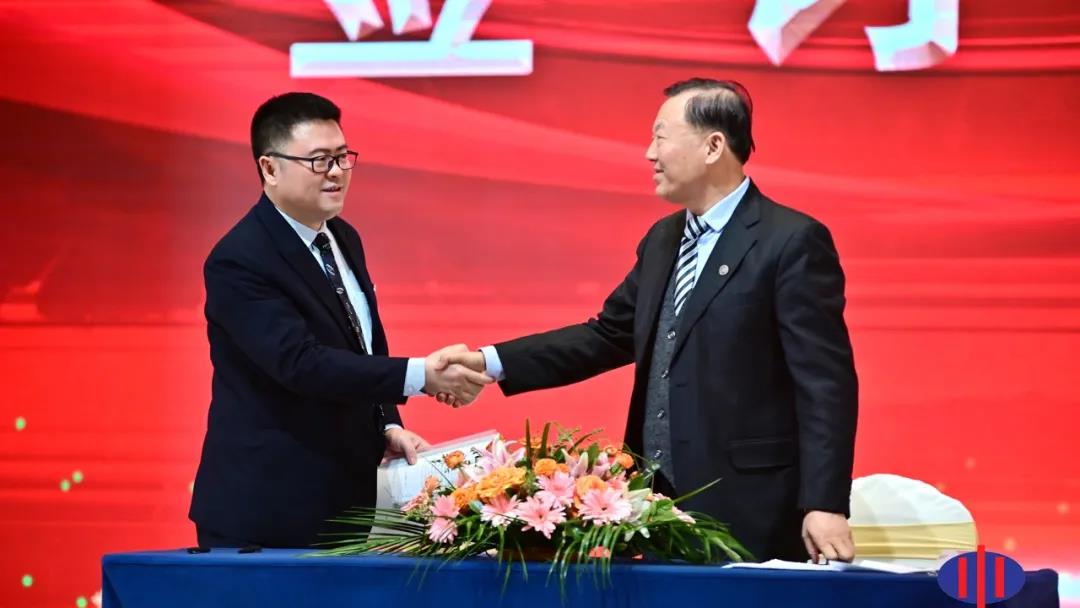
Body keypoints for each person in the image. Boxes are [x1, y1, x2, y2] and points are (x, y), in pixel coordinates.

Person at [442, 78, 858, 562]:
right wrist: (488, 362)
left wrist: (825, 502)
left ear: (713, 146)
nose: (649, 154)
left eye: (661, 137)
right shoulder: (664, 238)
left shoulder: (790, 240)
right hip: (654, 505)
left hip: (752, 506)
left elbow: (825, 384)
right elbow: (607, 335)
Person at [189, 92, 493, 548]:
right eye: (319, 160)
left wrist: (385, 424)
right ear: (270, 168)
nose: (335, 172)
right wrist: (422, 376)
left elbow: (360, 346)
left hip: (344, 500)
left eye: (342, 157)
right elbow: (302, 364)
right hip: (267, 510)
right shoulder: (240, 259)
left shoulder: (342, 237)